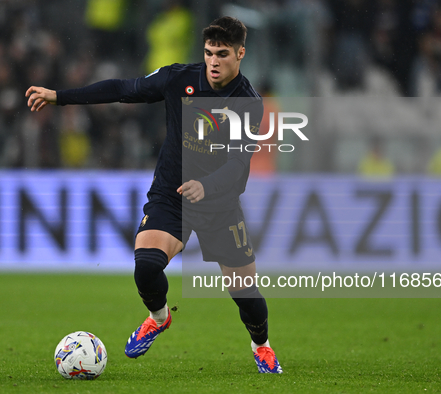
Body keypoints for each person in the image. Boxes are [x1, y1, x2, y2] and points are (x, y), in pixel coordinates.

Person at [26, 16, 282, 374]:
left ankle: (262, 346)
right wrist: (60, 97)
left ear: (240, 54)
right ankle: (158, 318)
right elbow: (123, 88)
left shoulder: (249, 103)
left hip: (218, 203)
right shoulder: (180, 78)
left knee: (245, 293)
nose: (213, 61)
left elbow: (239, 169)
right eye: (209, 52)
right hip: (172, 193)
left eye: (222, 54)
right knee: (146, 266)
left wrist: (206, 186)